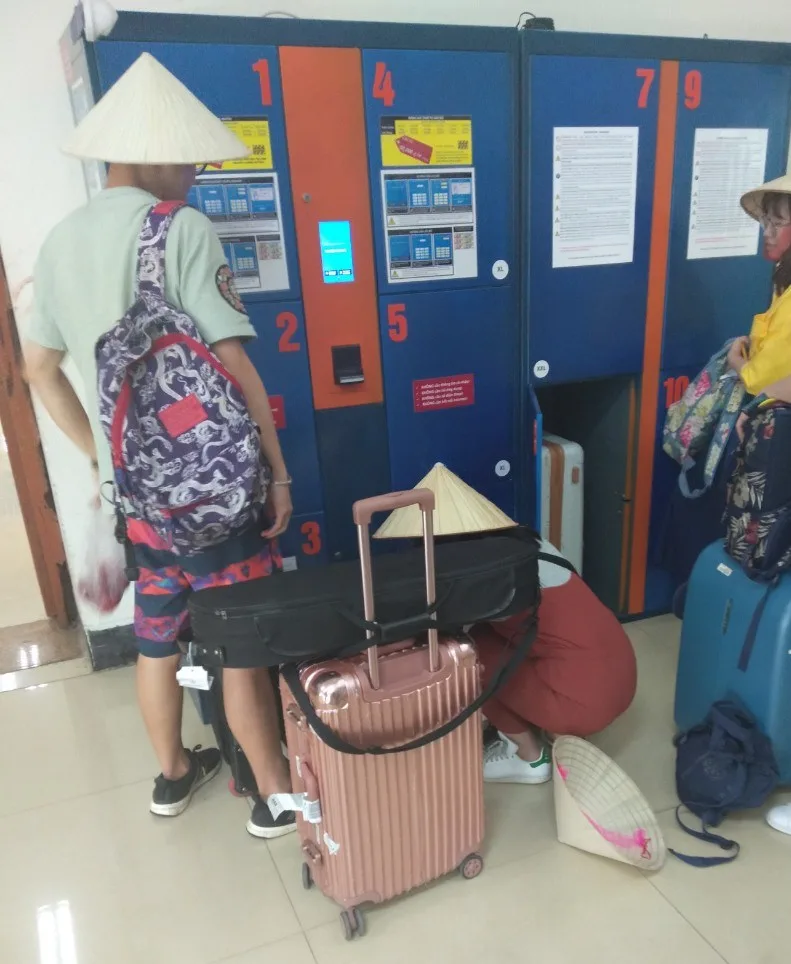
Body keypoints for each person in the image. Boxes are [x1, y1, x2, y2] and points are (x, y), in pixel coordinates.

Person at [24, 53, 296, 839]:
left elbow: (40, 369)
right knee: (240, 636)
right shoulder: (179, 229)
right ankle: (273, 796)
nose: (196, 172)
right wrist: (276, 475)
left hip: (137, 501)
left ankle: (173, 776)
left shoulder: (59, 241)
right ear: (146, 152)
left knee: (157, 633)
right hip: (212, 492)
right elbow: (235, 364)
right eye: (187, 157)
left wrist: (96, 455)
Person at [374, 463, 637, 785]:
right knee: (486, 638)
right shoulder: (528, 546)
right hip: (619, 679)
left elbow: (421, 635)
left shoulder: (486, 581)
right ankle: (549, 724)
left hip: (586, 702)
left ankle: (527, 756)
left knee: (462, 657)